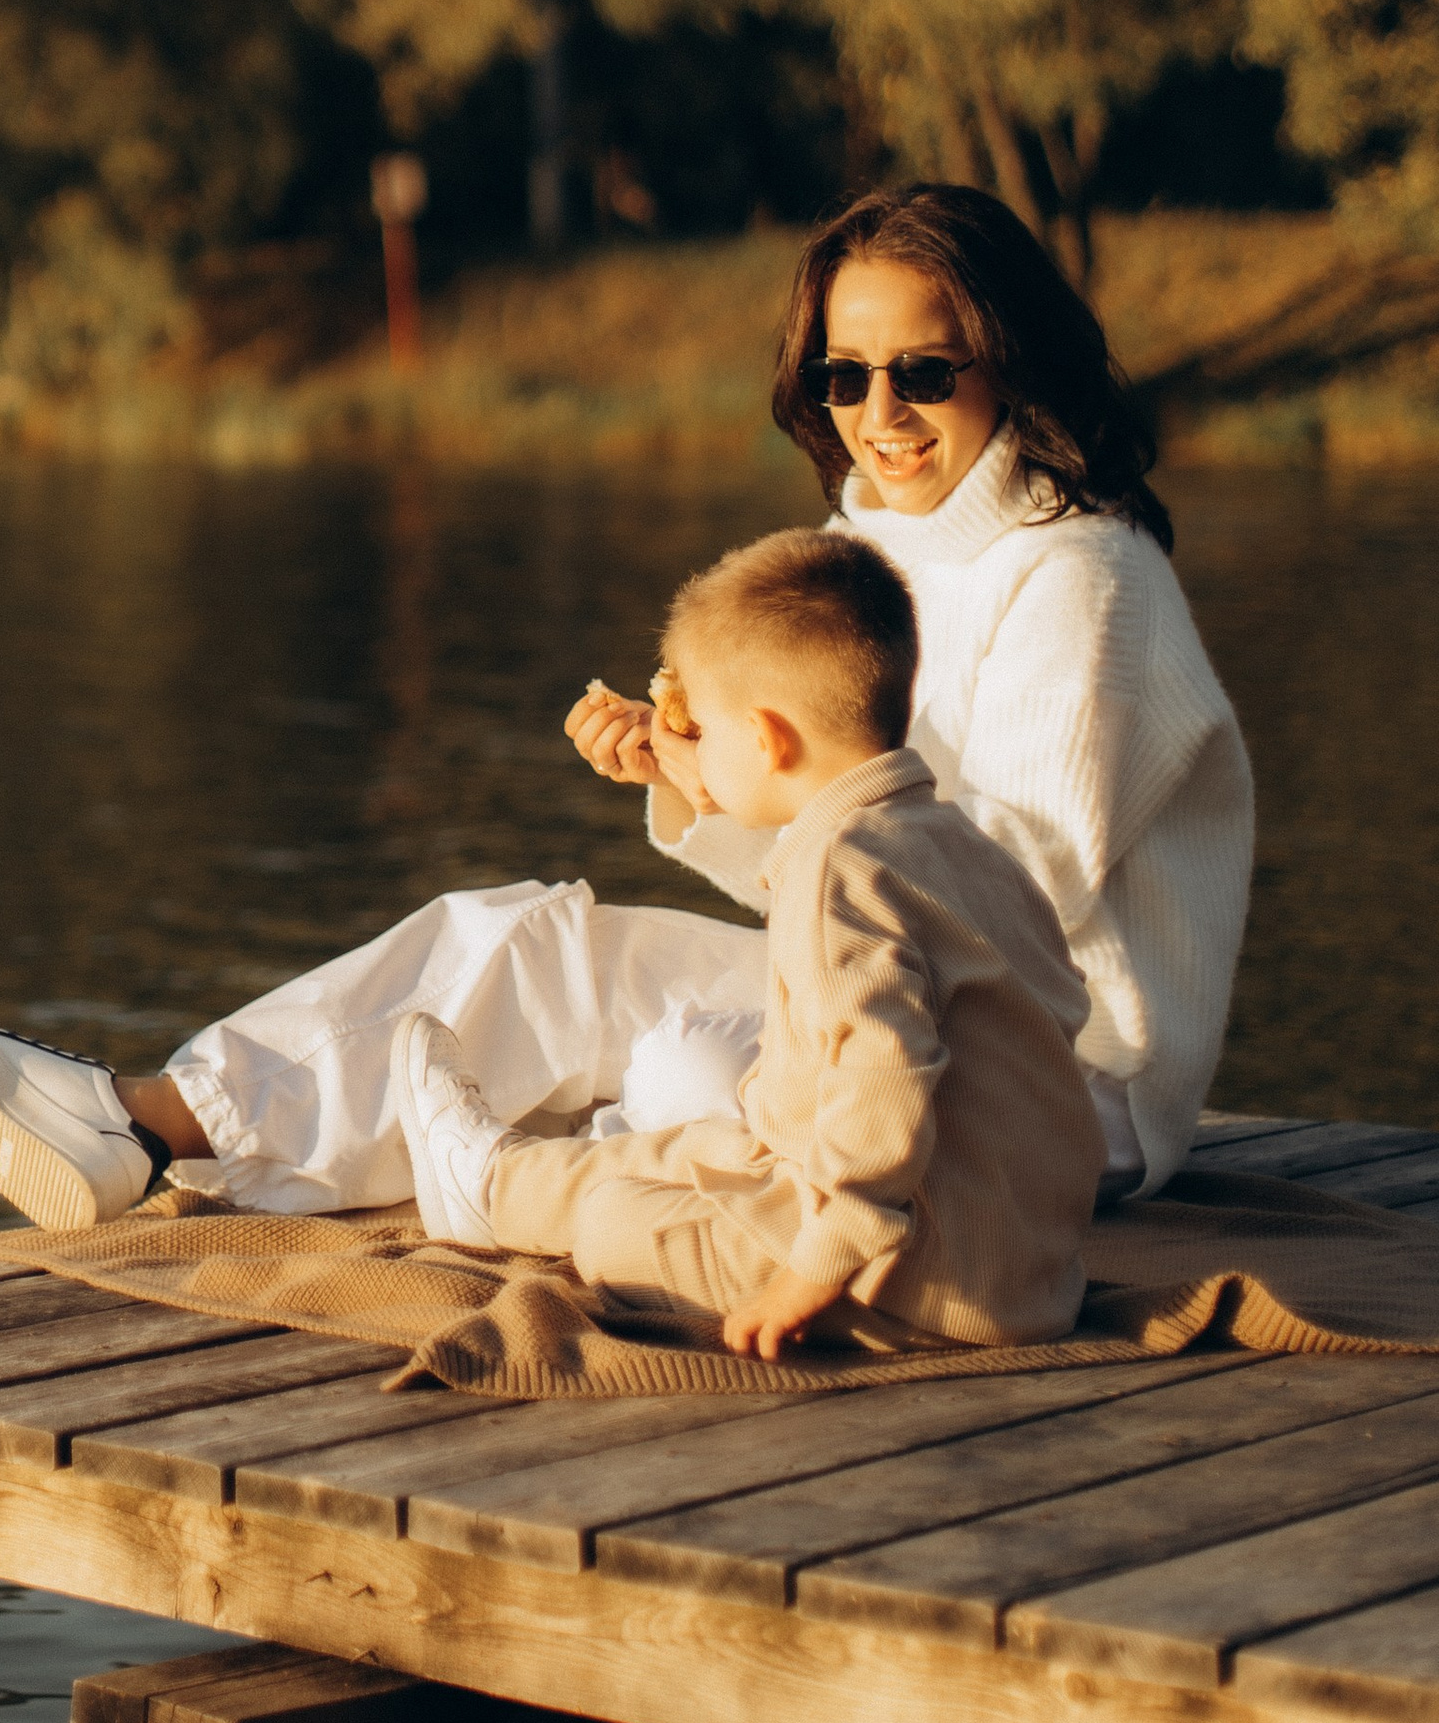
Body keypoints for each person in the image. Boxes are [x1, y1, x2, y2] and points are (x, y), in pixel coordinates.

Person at [0, 182, 1252, 1232]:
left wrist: (763, 773)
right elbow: (853, 870)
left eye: (925, 371)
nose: (880, 414)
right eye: (847, 376)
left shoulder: (1086, 582)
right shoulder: (884, 549)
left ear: (1007, 362)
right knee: (528, 943)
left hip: (1060, 1088)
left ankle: (520, 1174)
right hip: (889, 1002)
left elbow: (1001, 904)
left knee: (677, 1082)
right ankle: (141, 1125)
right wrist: (706, 774)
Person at [389, 527, 1108, 1356]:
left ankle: (510, 1194)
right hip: (1027, 1268)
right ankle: (492, 1179)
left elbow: (887, 1076)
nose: (693, 747)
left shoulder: (836, 870)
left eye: (708, 731)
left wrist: (816, 1268)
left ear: (768, 741)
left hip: (905, 1279)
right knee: (707, 1147)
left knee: (613, 1223)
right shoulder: (956, 847)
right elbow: (1057, 1013)